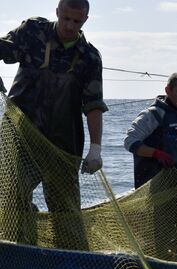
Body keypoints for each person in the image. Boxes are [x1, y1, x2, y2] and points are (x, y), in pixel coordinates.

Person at [0, 0, 107, 250]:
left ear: (85, 20)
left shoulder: (89, 56)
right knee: (14, 193)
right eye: (66, 18)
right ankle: (21, 252)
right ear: (57, 12)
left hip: (64, 142)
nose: (70, 26)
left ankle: (72, 262)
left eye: (76, 21)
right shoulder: (33, 31)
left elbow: (93, 104)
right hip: (21, 135)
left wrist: (96, 149)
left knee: (66, 208)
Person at [124, 72, 177, 262]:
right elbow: (130, 141)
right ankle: (159, 268)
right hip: (156, 187)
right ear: (168, 90)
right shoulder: (153, 114)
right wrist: (155, 153)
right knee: (159, 233)